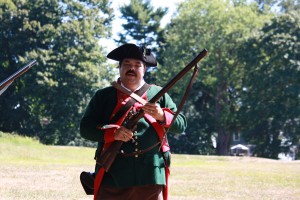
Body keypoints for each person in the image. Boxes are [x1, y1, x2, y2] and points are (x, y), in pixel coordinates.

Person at [80, 43, 187, 200]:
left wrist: (162, 115)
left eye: (138, 65)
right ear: (120, 68)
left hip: (151, 176)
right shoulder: (103, 96)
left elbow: (181, 124)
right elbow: (86, 128)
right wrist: (113, 133)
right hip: (113, 175)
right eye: (127, 64)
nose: (132, 68)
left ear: (144, 70)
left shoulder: (159, 93)